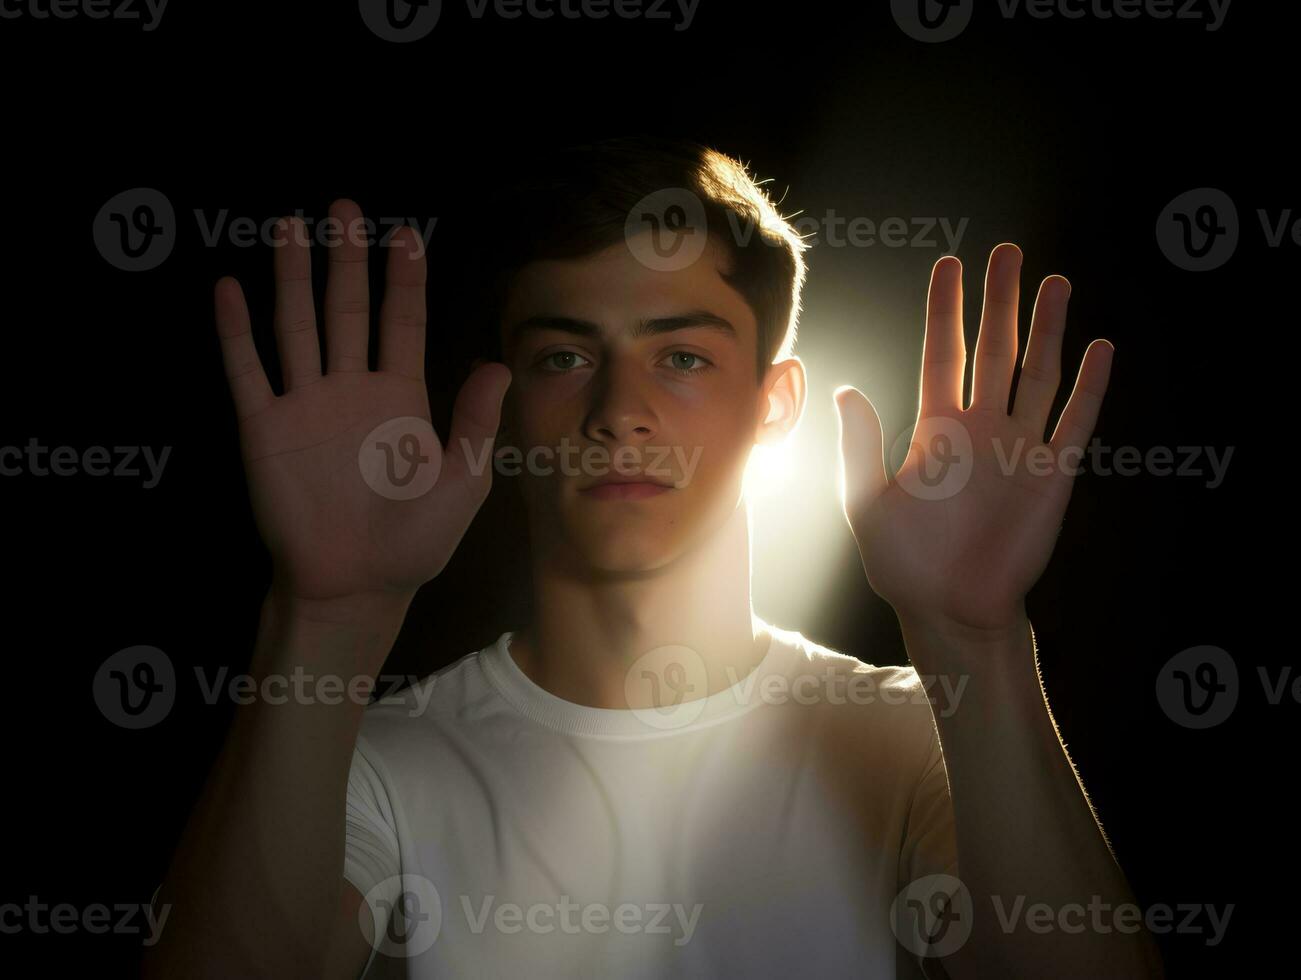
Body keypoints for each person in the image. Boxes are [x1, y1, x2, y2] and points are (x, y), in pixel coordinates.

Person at [142, 136, 1165, 979]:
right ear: (502, 406)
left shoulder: (911, 734)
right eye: (564, 356)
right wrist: (326, 617)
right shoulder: (373, 764)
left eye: (680, 355)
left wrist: (971, 637)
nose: (619, 412)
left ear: (774, 406)